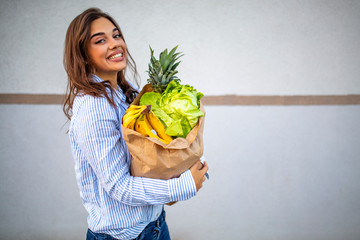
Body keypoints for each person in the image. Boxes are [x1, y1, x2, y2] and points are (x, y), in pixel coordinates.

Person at [63, 8, 209, 240]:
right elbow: (119, 187)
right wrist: (183, 185)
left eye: (116, 35)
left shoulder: (126, 92)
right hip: (123, 236)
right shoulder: (93, 106)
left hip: (154, 225)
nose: (114, 44)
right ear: (83, 53)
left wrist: (183, 164)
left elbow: (145, 157)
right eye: (100, 40)